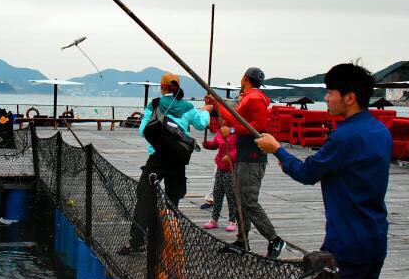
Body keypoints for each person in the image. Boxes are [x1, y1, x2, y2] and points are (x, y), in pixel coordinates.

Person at [255, 63, 391, 279]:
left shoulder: (345, 137)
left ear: (349, 97)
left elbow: (307, 173)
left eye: (331, 92)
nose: (327, 98)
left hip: (347, 245)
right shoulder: (380, 132)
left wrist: (277, 150)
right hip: (375, 239)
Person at [117, 72, 210, 255]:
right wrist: (206, 109)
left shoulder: (155, 104)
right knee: (172, 200)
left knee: (144, 196)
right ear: (178, 87)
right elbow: (200, 124)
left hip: (157, 157)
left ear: (162, 87)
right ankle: (168, 241)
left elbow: (143, 130)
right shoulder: (188, 107)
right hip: (178, 159)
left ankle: (137, 242)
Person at [209, 67, 284, 258]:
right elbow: (234, 118)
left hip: (252, 158)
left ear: (244, 78)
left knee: (249, 201)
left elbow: (257, 127)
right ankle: (242, 241)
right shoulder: (249, 97)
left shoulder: (254, 98)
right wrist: (218, 105)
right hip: (244, 156)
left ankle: (275, 240)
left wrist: (232, 131)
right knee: (241, 199)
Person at [201, 125, 238, 232]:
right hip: (220, 166)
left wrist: (231, 156)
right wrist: (207, 144)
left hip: (232, 168)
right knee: (217, 193)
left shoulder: (236, 131)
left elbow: (241, 149)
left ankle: (232, 221)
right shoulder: (220, 131)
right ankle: (214, 219)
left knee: (231, 195)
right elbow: (215, 144)